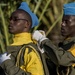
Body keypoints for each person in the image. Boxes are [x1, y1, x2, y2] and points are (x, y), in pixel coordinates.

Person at [0, 2, 44, 75]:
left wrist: (7, 63)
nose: (10, 22)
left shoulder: (29, 50)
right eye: (10, 19)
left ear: (26, 24)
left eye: (15, 19)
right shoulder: (16, 47)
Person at [32, 2, 75, 75]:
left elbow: (62, 59)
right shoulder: (64, 44)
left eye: (66, 22)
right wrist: (43, 51)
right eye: (62, 21)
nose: (62, 24)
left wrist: (43, 40)